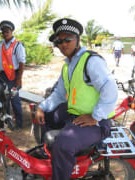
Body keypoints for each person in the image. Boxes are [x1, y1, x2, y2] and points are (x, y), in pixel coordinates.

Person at [35, 18, 118, 180]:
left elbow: (110, 89)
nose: (63, 44)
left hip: (98, 122)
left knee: (63, 144)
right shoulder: (68, 65)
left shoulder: (91, 61)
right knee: (44, 116)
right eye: (59, 41)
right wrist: (42, 107)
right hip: (75, 115)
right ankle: (49, 156)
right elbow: (59, 94)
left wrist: (95, 116)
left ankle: (60, 171)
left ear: (78, 39)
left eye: (68, 39)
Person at [0, 20, 25, 130]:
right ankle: (7, 120)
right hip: (2, 76)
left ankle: (19, 124)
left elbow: (22, 63)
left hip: (14, 76)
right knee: (4, 99)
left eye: (7, 31)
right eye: (3, 32)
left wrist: (18, 80)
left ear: (12, 31)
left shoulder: (18, 45)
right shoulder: (0, 45)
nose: (5, 34)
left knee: (14, 100)